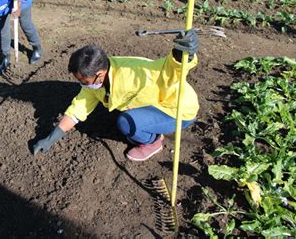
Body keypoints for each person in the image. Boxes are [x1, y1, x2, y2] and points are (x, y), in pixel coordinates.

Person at [32, 31, 199, 161]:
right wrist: (51, 138)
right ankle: (147, 123)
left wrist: (182, 55)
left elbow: (168, 71)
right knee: (124, 115)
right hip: (154, 101)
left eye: (85, 81)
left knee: (126, 123)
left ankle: (152, 142)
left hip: (176, 108)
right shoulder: (97, 77)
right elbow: (78, 109)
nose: (83, 85)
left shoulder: (134, 73)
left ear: (99, 74)